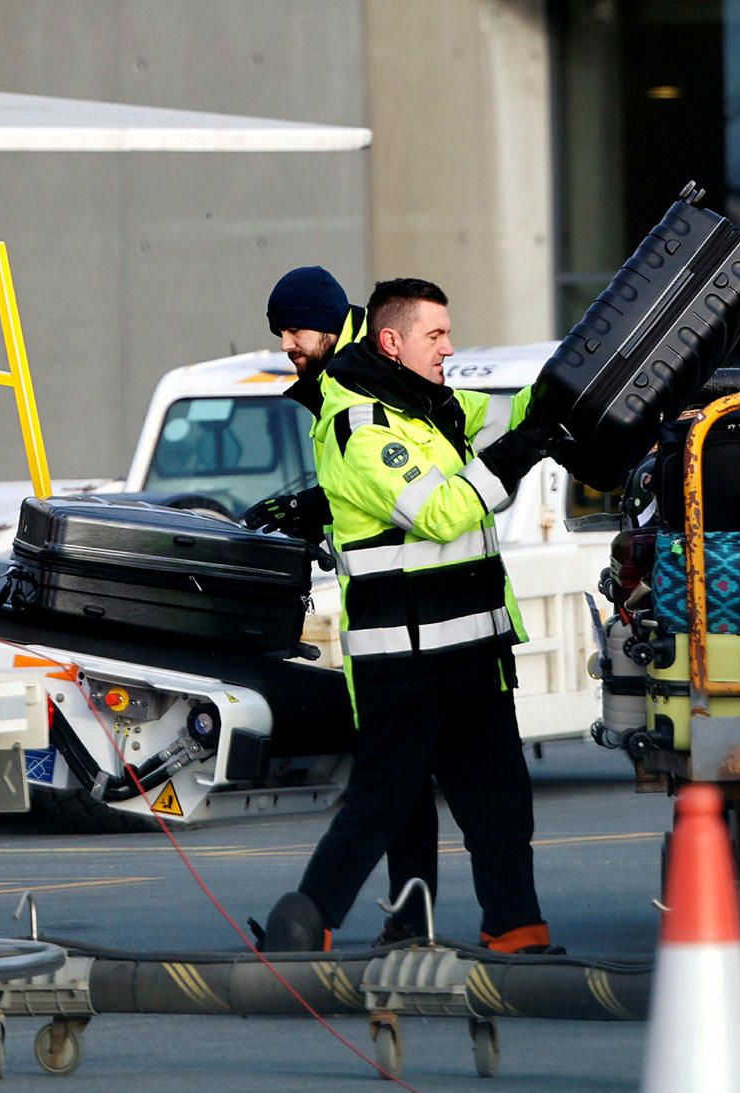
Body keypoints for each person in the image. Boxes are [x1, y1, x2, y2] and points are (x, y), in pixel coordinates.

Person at [261, 277, 563, 955]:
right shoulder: (358, 418)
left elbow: (505, 418)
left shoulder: (427, 402)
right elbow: (440, 510)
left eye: (294, 330)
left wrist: (563, 396)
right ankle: (306, 921)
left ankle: (513, 929)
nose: (286, 345)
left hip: (471, 646)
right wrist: (522, 449)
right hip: (404, 656)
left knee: (498, 801)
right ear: (390, 340)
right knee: (386, 800)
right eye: (438, 337)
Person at [245, 266, 438, 949]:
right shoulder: (345, 371)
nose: (287, 346)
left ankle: (314, 917)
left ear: (325, 324)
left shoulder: (356, 376)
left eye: (293, 331)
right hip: (406, 617)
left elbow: (394, 476)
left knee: (391, 781)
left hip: (411, 618)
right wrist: (312, 504)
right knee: (411, 782)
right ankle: (417, 920)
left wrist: (316, 504)